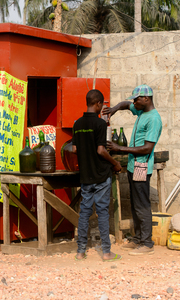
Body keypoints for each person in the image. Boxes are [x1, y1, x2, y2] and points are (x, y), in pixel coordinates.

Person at [105, 84, 162, 256]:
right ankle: (138, 238)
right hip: (133, 164)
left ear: (146, 99)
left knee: (142, 204)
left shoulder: (153, 118)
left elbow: (146, 148)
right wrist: (114, 109)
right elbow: (124, 104)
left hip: (141, 165)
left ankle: (147, 243)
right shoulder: (141, 111)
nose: (134, 104)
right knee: (135, 202)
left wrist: (119, 149)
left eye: (136, 100)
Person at [72, 89, 122, 262]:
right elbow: (101, 150)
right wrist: (115, 163)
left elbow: (74, 149)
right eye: (102, 105)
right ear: (98, 104)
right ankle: (106, 253)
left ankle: (80, 252)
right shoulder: (100, 124)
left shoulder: (77, 124)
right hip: (101, 176)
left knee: (84, 212)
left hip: (86, 177)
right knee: (102, 212)